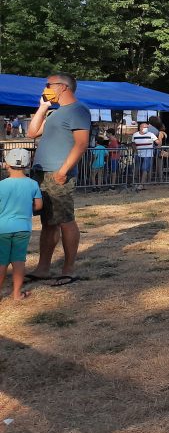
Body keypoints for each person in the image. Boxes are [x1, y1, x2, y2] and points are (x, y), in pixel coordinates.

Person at [26, 72, 90, 283]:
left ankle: (68, 269)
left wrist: (63, 171)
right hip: (41, 173)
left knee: (65, 221)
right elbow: (32, 132)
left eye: (48, 84)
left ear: (63, 87)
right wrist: (43, 107)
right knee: (48, 223)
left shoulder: (78, 110)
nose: (45, 88)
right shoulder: (54, 113)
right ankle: (43, 268)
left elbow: (81, 144)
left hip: (58, 173)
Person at [0, 149, 43, 301]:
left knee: (1, 261)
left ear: (7, 164)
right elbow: (38, 206)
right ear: (27, 165)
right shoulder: (33, 184)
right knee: (19, 260)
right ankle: (17, 294)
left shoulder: (1, 185)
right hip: (23, 228)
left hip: (2, 229)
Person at [132, 120, 159, 191]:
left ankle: (141, 184)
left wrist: (157, 145)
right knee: (139, 169)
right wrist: (135, 151)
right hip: (139, 154)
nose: (146, 128)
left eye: (147, 127)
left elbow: (157, 142)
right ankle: (140, 183)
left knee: (144, 169)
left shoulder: (151, 134)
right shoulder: (135, 135)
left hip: (148, 154)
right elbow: (133, 144)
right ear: (140, 127)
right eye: (145, 127)